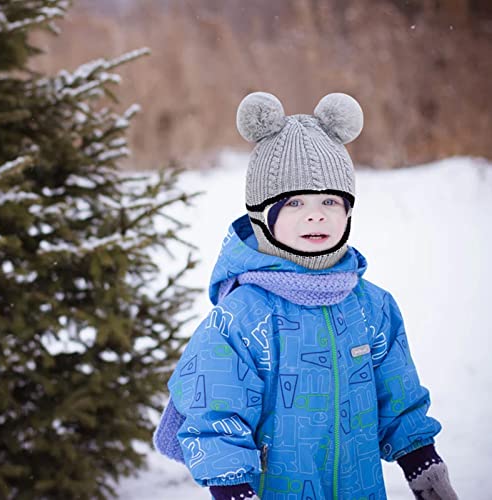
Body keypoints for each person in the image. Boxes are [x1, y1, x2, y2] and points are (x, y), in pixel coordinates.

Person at [154, 92, 459, 500]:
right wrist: (233, 490)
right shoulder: (242, 316)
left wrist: (423, 465)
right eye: (294, 202)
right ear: (262, 215)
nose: (316, 214)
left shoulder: (372, 306)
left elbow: (398, 398)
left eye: (330, 200)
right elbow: (215, 417)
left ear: (348, 211)